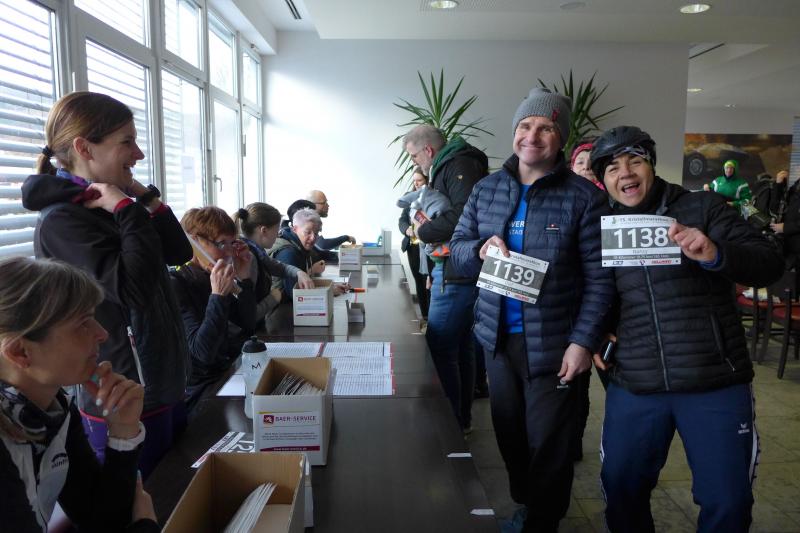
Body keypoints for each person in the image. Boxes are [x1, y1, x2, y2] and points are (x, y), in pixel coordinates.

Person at [589, 126, 784, 533]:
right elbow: (593, 290)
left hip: (713, 378)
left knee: (728, 502)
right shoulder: (600, 226)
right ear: (603, 180)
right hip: (637, 381)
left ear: (651, 164)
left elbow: (769, 262)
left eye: (635, 161)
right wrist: (597, 331)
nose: (625, 173)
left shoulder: (703, 207)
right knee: (620, 488)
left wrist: (715, 253)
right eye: (613, 168)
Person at [450, 87, 614, 531]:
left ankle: (543, 521)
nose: (532, 136)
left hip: (555, 345)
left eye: (545, 128)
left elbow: (601, 280)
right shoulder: (486, 189)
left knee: (550, 444)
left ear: (561, 138)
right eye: (525, 126)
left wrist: (583, 343)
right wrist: (478, 250)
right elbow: (458, 249)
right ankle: (526, 506)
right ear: (514, 131)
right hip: (498, 340)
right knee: (510, 435)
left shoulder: (585, 197)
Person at [21, 91, 192, 477]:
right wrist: (127, 210)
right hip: (122, 396)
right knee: (144, 497)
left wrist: (146, 201)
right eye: (126, 142)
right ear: (84, 148)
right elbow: (132, 291)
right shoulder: (63, 221)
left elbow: (178, 253)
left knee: (176, 489)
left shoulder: (109, 204)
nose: (138, 154)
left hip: (162, 382)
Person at [0, 256, 158, 532]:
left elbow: (98, 518)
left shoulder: (53, 408)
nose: (103, 333)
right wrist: (145, 526)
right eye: (83, 323)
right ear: (20, 352)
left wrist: (123, 431)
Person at [403, 124, 488, 433]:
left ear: (428, 150)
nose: (415, 163)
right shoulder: (455, 164)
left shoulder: (457, 165)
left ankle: (448, 425)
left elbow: (464, 214)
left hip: (457, 272)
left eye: (414, 156)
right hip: (458, 269)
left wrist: (422, 230)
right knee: (461, 345)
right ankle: (460, 421)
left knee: (438, 346)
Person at [170, 207, 257, 411]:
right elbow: (202, 353)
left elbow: (247, 324)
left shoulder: (210, 276)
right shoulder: (176, 284)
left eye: (231, 243)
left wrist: (244, 278)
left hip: (226, 373)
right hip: (200, 390)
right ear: (194, 242)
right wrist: (217, 296)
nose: (228, 253)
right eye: (221, 243)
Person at [233, 203, 314, 323]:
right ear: (264, 230)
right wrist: (274, 298)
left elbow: (279, 267)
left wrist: (299, 273)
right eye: (276, 230)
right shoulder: (249, 259)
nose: (278, 234)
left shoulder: (255, 251)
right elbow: (248, 317)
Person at [269, 208, 349, 298]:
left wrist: (330, 286)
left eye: (316, 233)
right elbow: (295, 294)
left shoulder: (299, 244)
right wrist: (329, 291)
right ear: (295, 229)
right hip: (282, 304)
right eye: (308, 232)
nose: (313, 238)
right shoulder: (288, 253)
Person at [397, 168, 432, 318]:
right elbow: (402, 220)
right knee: (418, 281)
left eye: (420, 180)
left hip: (429, 247)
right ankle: (424, 317)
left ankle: (431, 318)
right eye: (414, 181)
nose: (416, 184)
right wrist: (406, 229)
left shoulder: (434, 196)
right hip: (413, 247)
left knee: (428, 282)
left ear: (427, 181)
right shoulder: (409, 197)